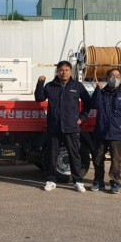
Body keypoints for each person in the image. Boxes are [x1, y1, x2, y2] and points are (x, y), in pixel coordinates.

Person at [34, 60, 91, 192]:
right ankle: (51, 180)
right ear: (57, 71)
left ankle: (78, 181)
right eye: (61, 70)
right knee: (51, 155)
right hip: (54, 127)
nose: (63, 72)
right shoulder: (50, 86)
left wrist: (82, 118)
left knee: (74, 155)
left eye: (66, 70)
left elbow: (88, 104)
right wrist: (40, 83)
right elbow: (39, 98)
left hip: (71, 127)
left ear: (70, 71)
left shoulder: (77, 86)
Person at [91, 68, 121, 194]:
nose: (114, 78)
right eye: (111, 75)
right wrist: (97, 91)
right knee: (98, 158)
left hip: (117, 132)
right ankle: (98, 181)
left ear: (120, 78)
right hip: (101, 131)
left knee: (116, 159)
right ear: (107, 78)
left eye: (117, 76)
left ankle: (115, 182)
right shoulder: (102, 91)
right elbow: (95, 105)